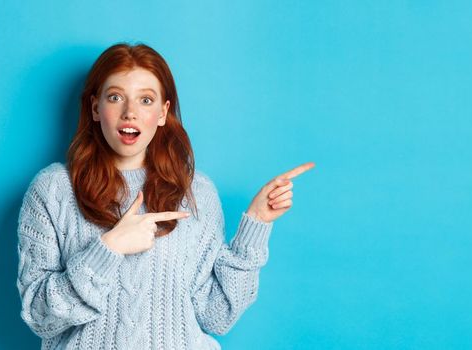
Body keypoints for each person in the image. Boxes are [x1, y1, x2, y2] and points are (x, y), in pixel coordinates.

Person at [16, 42, 314, 349]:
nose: (130, 112)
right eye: (115, 97)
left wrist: (257, 224)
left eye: (146, 100)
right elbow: (40, 317)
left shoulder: (196, 192)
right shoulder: (53, 190)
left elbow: (217, 315)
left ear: (162, 112)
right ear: (95, 107)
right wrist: (109, 248)